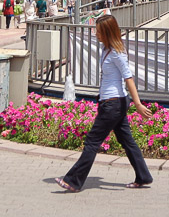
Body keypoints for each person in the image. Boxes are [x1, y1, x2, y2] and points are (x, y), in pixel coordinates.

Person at [55, 14, 153, 193]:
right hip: (111, 102)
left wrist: (138, 104)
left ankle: (73, 181)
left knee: (92, 141)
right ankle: (143, 176)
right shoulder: (106, 49)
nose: (96, 34)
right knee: (127, 141)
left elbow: (129, 78)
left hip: (113, 104)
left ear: (108, 32)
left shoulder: (117, 53)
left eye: (99, 32)